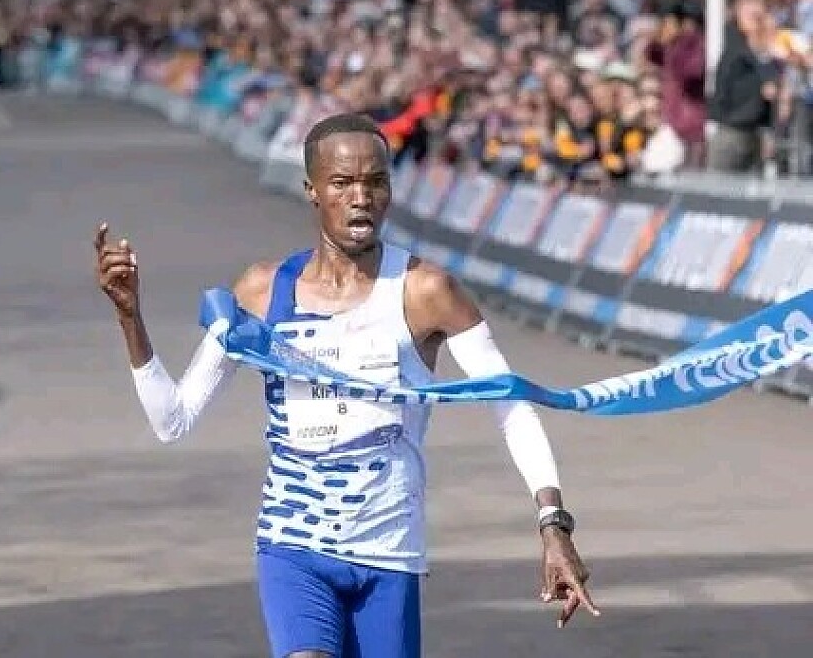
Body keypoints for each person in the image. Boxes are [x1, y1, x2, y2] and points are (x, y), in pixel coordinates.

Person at [94, 113, 600, 658]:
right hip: (293, 544)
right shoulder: (262, 292)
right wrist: (130, 318)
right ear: (311, 190)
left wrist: (553, 523)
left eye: (375, 182)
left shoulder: (425, 292)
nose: (361, 198)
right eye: (342, 183)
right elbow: (172, 420)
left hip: (389, 551)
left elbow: (512, 408)